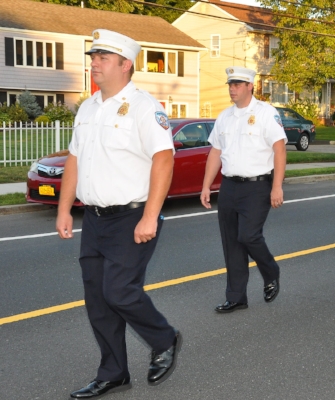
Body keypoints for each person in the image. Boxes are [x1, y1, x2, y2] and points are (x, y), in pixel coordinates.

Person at [56, 29, 180, 398]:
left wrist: (149, 216)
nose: (94, 63)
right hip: (94, 218)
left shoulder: (144, 106)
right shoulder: (89, 107)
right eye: (93, 57)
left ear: (125, 65)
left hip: (132, 215)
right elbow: (75, 160)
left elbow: (164, 158)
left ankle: (164, 338)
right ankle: (113, 372)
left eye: (103, 58)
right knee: (97, 299)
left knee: (120, 293)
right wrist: (65, 209)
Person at [201, 66, 286, 313]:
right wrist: (207, 185)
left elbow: (279, 149)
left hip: (257, 186)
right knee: (231, 242)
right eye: (230, 84)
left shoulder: (265, 113)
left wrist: (277, 186)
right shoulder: (225, 116)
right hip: (229, 186)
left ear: (250, 86)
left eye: (237, 84)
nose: (232, 89)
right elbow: (215, 151)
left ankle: (271, 271)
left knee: (248, 236)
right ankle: (236, 296)